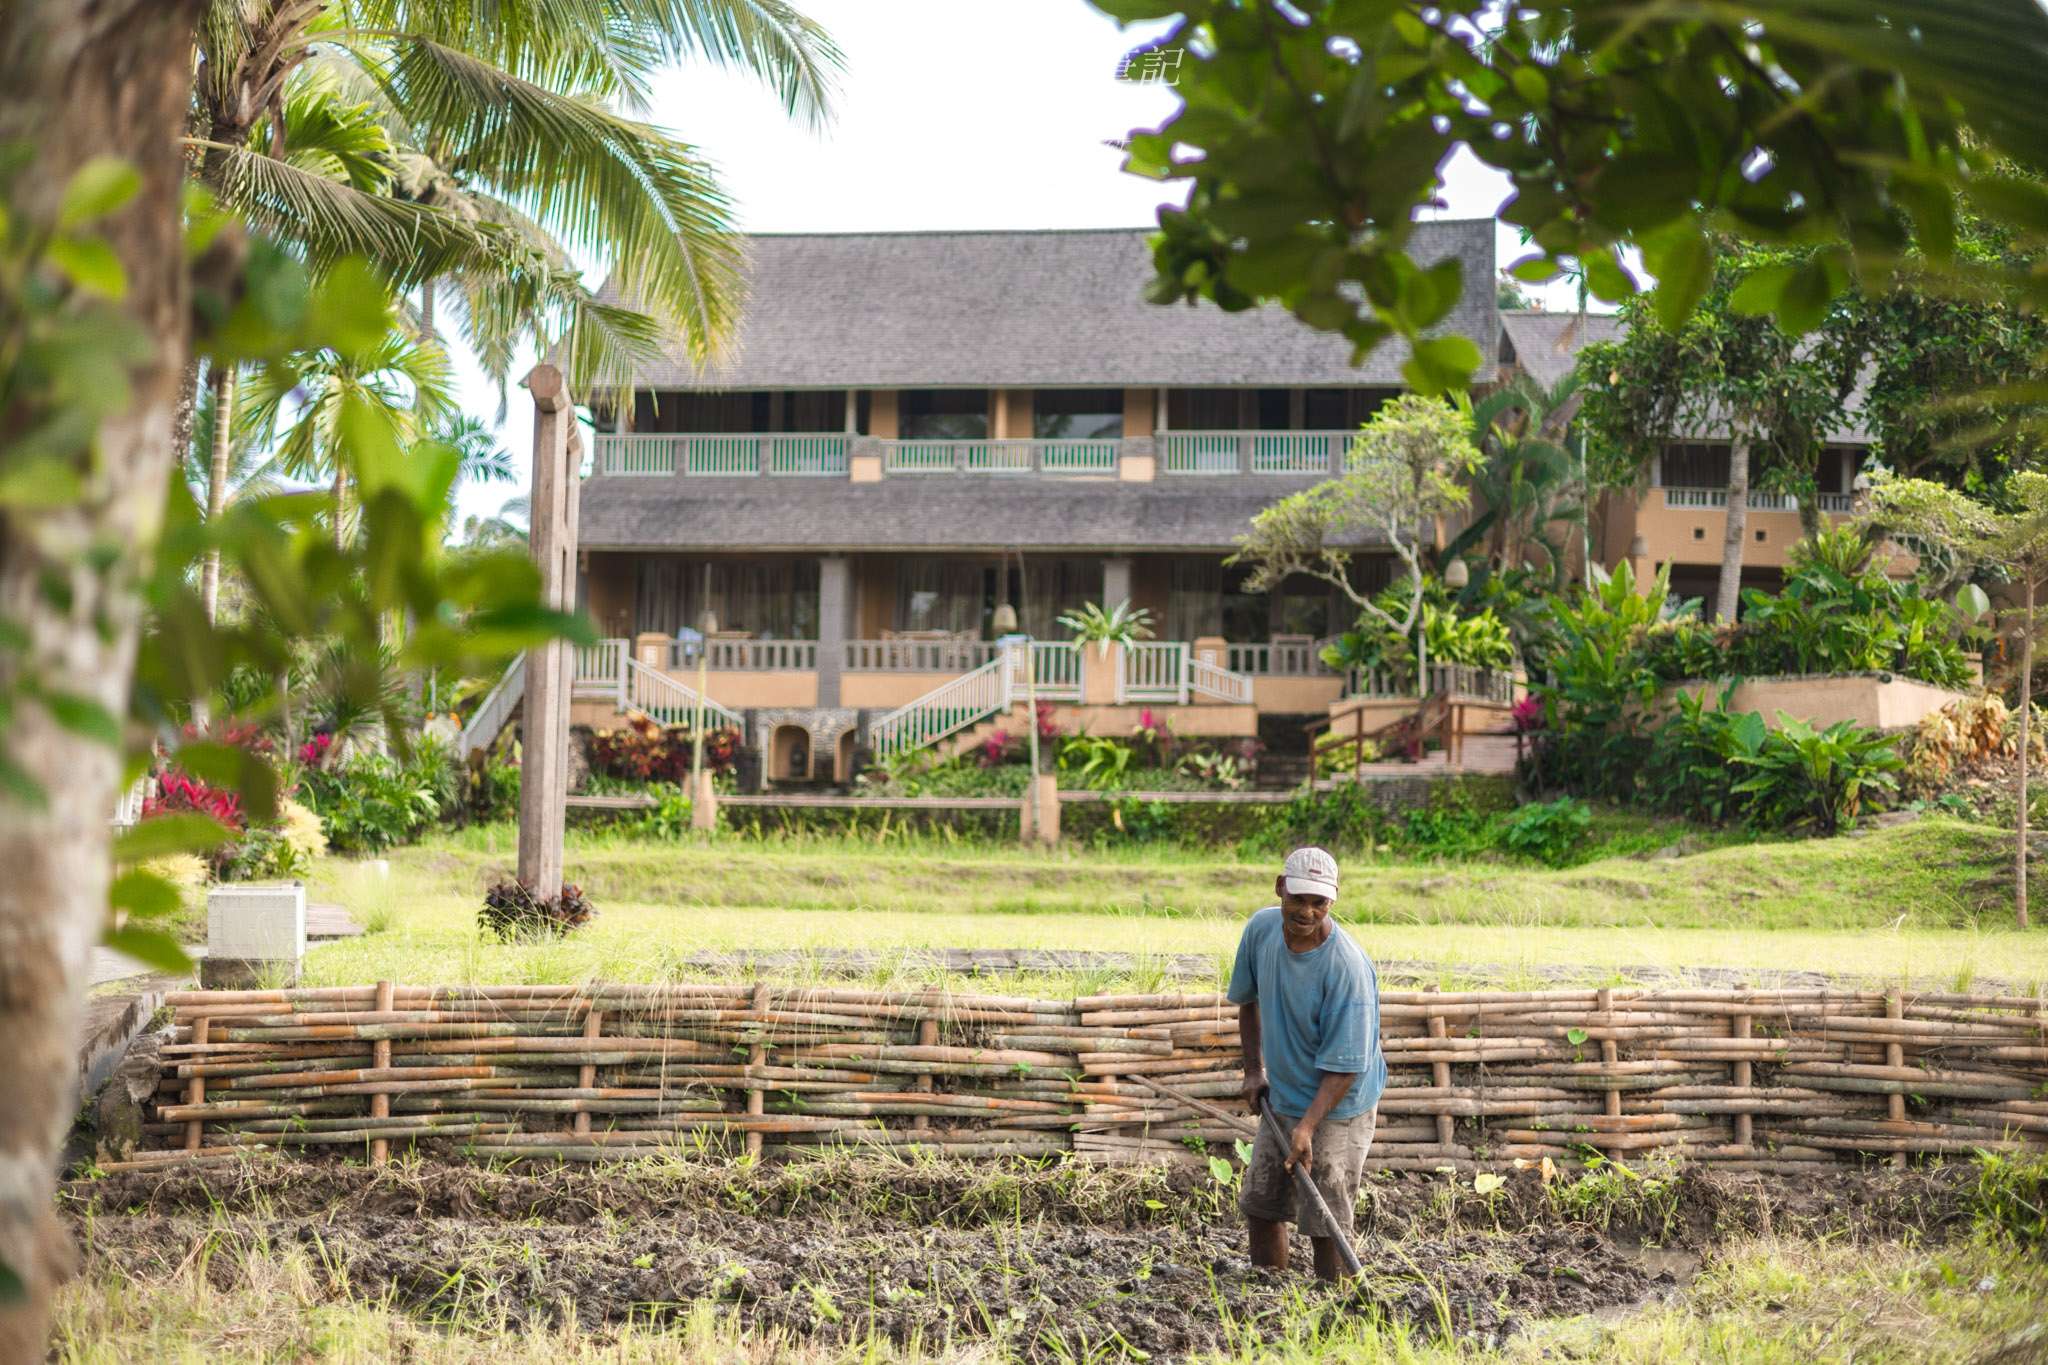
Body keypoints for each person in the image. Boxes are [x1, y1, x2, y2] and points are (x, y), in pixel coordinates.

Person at [1226, 845, 1386, 1280]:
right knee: (1262, 1203)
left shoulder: (1345, 968)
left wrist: (1308, 1126)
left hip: (1340, 1103)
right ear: (1281, 888)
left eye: (1318, 902)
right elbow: (1248, 1000)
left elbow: (1347, 1066)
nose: (1306, 911)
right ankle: (1269, 1294)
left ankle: (1331, 1304)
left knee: (1323, 1217)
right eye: (1298, 898)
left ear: (1331, 901)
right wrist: (1254, 1071)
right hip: (1287, 1092)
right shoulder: (1261, 931)